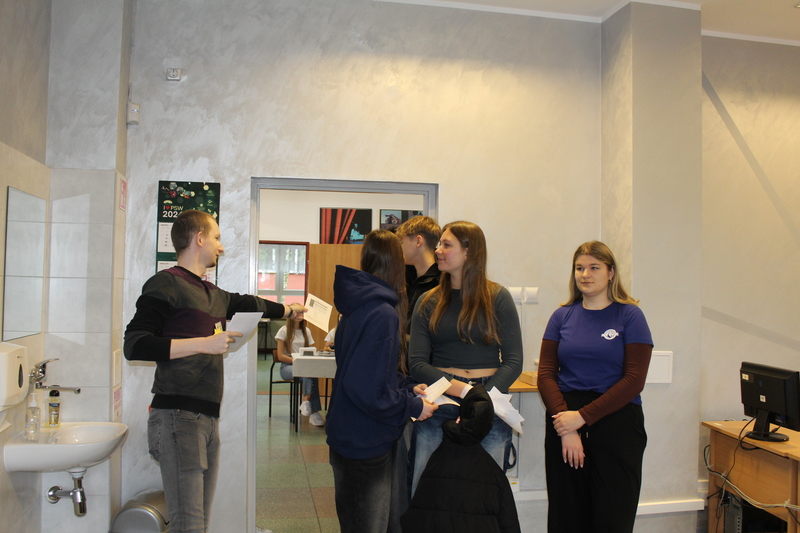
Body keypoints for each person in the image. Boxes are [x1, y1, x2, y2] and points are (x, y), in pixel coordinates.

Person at [124, 209, 305, 533]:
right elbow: (135, 345)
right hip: (177, 416)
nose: (221, 247)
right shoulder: (166, 283)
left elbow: (252, 304)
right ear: (199, 238)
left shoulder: (212, 294)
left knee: (199, 524)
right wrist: (204, 344)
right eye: (217, 238)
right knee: (190, 526)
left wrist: (290, 310)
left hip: (206, 419)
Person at [326, 229, 437, 533]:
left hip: (349, 433)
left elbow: (373, 372)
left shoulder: (356, 306)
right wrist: (413, 406)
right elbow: (367, 389)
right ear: (396, 264)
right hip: (365, 440)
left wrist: (407, 386)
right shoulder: (382, 313)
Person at [537, 241, 653, 533]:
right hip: (564, 420)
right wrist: (568, 427)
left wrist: (582, 417)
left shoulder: (630, 316)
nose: (585, 274)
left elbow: (634, 380)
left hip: (616, 422)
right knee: (567, 515)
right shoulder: (561, 316)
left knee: (612, 517)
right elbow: (546, 375)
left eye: (594, 267)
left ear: (611, 273)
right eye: (579, 268)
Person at [408, 220, 523, 497]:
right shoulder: (428, 301)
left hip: (490, 402)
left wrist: (482, 399)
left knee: (486, 495)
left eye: (446, 245)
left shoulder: (498, 298)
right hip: (440, 400)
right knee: (426, 491)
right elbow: (417, 363)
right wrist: (467, 392)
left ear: (469, 252)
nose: (438, 250)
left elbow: (513, 360)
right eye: (439, 244)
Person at [400, 384, 521, 533]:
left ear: (458, 419)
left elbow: (414, 517)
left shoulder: (433, 463)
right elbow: (509, 522)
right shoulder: (495, 474)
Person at [274, 311, 325, 426]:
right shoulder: (283, 330)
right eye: (297, 313)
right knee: (308, 373)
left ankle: (306, 403)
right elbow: (280, 356)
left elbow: (310, 352)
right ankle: (313, 411)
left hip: (303, 366)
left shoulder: (306, 331)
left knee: (310, 373)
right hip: (287, 366)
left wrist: (304, 362)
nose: (300, 315)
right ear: (290, 315)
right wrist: (298, 361)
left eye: (301, 313)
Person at [396, 215, 442, 326]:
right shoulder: (404, 277)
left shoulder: (442, 283)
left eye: (401, 242)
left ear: (418, 241)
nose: (398, 248)